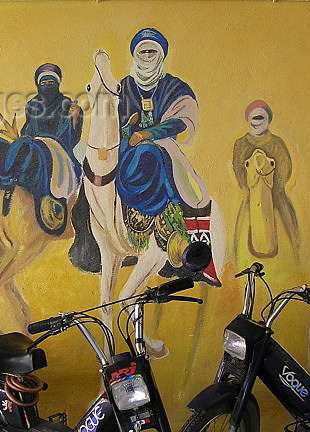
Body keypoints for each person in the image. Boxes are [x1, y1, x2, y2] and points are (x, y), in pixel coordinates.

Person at [117, 28, 219, 283]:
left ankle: (186, 246)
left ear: (161, 55)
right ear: (135, 55)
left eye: (153, 51)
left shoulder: (175, 87)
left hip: (162, 149)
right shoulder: (123, 87)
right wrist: (128, 130)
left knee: (191, 189)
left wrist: (149, 134)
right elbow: (111, 120)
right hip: (125, 150)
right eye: (143, 51)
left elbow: (183, 121)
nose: (148, 56)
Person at [0, 63, 83, 236]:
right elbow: (29, 130)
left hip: (57, 148)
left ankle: (6, 178)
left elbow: (70, 138)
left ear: (57, 83)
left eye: (51, 82)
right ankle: (7, 180)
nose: (47, 85)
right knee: (0, 144)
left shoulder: (67, 104)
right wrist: (21, 136)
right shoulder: (32, 105)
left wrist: (74, 119)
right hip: (34, 144)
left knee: (25, 146)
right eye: (44, 82)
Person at [232, 100, 299, 260]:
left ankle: (294, 254)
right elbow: (238, 169)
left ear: (268, 119)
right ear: (248, 119)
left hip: (275, 195)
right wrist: (251, 186)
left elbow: (285, 167)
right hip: (251, 194)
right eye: (254, 119)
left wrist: (273, 187)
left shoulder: (277, 143)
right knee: (241, 231)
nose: (257, 123)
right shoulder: (240, 144)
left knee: (287, 224)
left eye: (260, 118)